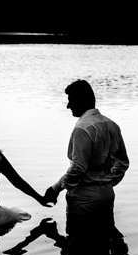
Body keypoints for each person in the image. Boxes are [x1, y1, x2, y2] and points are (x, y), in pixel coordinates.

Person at [43, 80, 129, 224]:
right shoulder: (112, 125)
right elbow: (122, 162)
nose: (68, 105)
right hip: (107, 194)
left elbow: (78, 168)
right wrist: (107, 183)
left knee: (79, 241)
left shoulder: (82, 129)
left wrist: (55, 189)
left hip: (84, 199)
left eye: (70, 100)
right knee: (103, 240)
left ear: (81, 100)